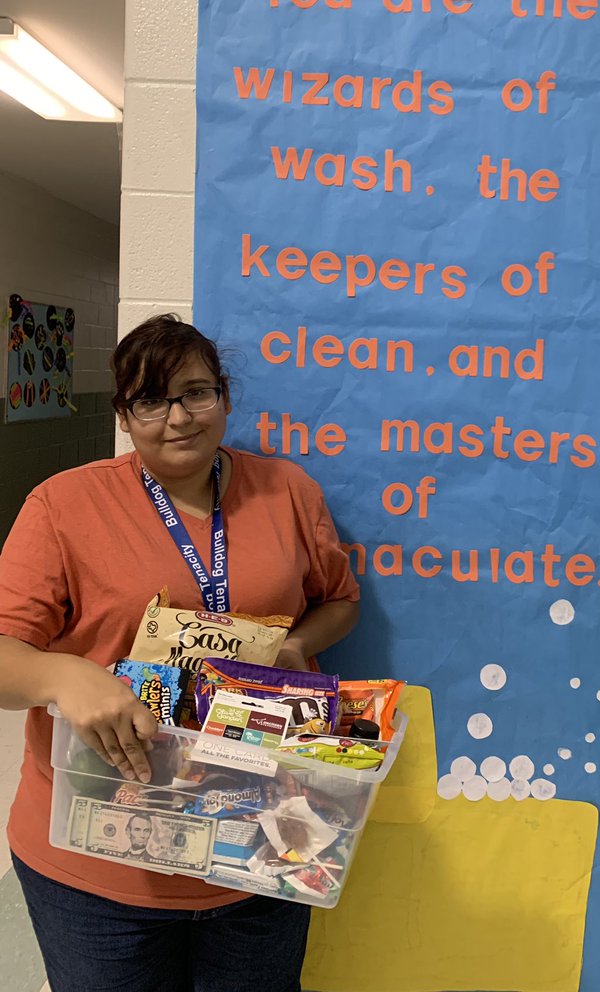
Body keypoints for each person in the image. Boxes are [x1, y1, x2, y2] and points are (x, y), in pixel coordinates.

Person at [0, 314, 360, 992]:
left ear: (224, 395)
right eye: (151, 400)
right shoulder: (63, 505)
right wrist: (63, 674)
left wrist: (297, 646)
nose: (179, 417)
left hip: (261, 844)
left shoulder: (287, 491)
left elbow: (340, 599)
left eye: (196, 392)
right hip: (100, 858)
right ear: (124, 415)